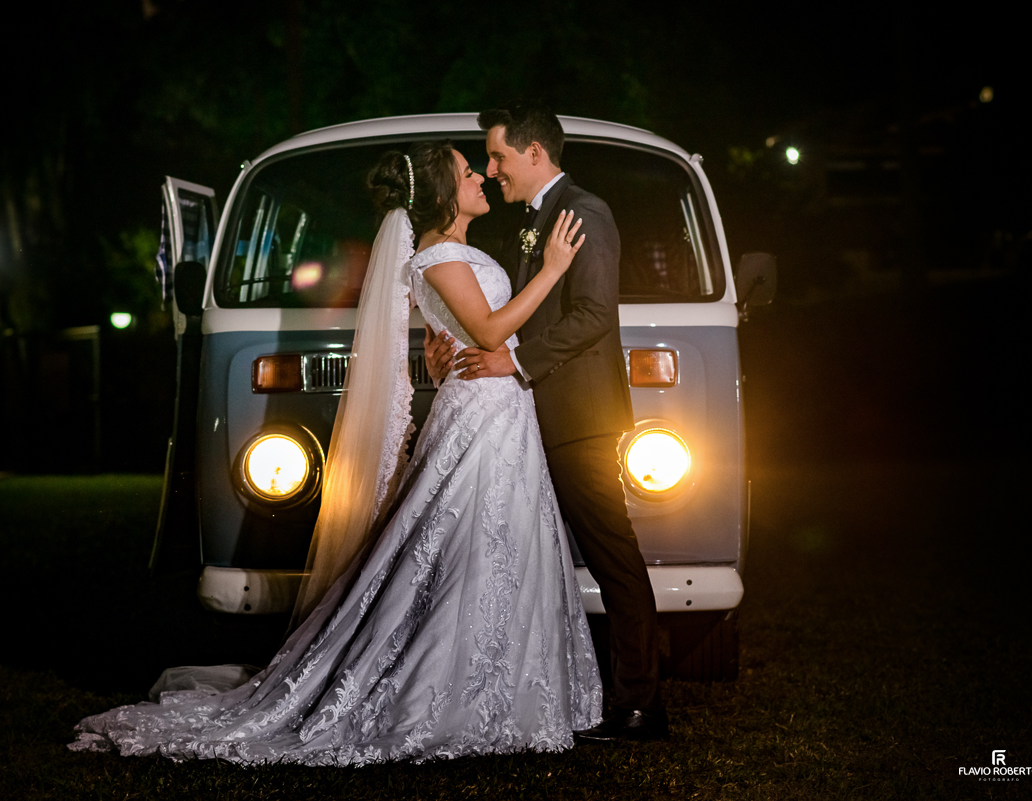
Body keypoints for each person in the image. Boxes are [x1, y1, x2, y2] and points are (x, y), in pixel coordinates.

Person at [69, 140, 602, 766]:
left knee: (497, 541)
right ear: (441, 193)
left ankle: (504, 685)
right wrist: (553, 270)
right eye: (467, 172)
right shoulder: (438, 255)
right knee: (469, 544)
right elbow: (488, 330)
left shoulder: (455, 253)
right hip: (483, 414)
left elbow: (465, 333)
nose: (481, 177)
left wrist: (447, 356)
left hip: (499, 406)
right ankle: (452, 689)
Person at [434, 101, 665, 741]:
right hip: (537, 415)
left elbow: (593, 314)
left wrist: (513, 362)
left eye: (498, 156)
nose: (492, 170)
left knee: (613, 557)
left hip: (579, 417)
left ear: (534, 152)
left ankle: (641, 705)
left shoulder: (585, 212)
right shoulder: (534, 220)